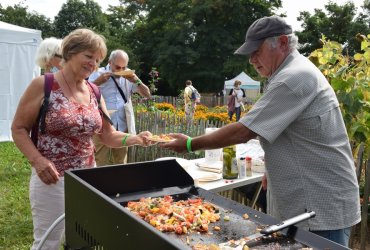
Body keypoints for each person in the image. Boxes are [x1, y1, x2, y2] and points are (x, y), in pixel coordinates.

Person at [161, 15, 360, 247]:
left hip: (319, 207)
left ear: (283, 43)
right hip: (311, 202)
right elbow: (297, 133)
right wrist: (274, 166)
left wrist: (189, 144)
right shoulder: (290, 72)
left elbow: (244, 131)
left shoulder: (293, 77)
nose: (252, 60)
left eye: (257, 51)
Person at [11, 28, 154, 250]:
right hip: (52, 179)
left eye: (97, 60)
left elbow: (107, 135)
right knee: (48, 242)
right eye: (88, 56)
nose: (93, 64)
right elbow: (18, 128)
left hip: (86, 178)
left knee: (82, 240)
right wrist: (37, 160)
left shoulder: (94, 91)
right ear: (70, 52)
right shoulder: (44, 85)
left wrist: (136, 138)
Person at [88, 50, 151, 166]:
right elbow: (84, 93)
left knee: (121, 162)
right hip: (102, 125)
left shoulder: (129, 75)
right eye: (117, 67)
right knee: (101, 161)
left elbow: (147, 94)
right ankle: (101, 184)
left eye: (124, 67)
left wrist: (137, 81)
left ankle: (119, 183)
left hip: (122, 124)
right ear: (109, 62)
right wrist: (98, 82)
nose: (120, 71)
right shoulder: (97, 73)